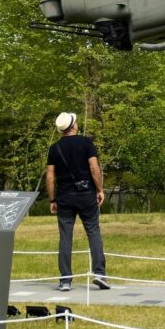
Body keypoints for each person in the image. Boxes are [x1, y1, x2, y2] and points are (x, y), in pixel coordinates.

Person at [45, 112, 110, 291]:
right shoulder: (86, 143)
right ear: (73, 126)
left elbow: (50, 176)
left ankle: (65, 279)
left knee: (65, 237)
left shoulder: (54, 148)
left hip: (65, 197)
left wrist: (52, 199)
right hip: (86, 194)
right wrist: (99, 190)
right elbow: (94, 167)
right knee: (93, 232)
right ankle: (99, 274)